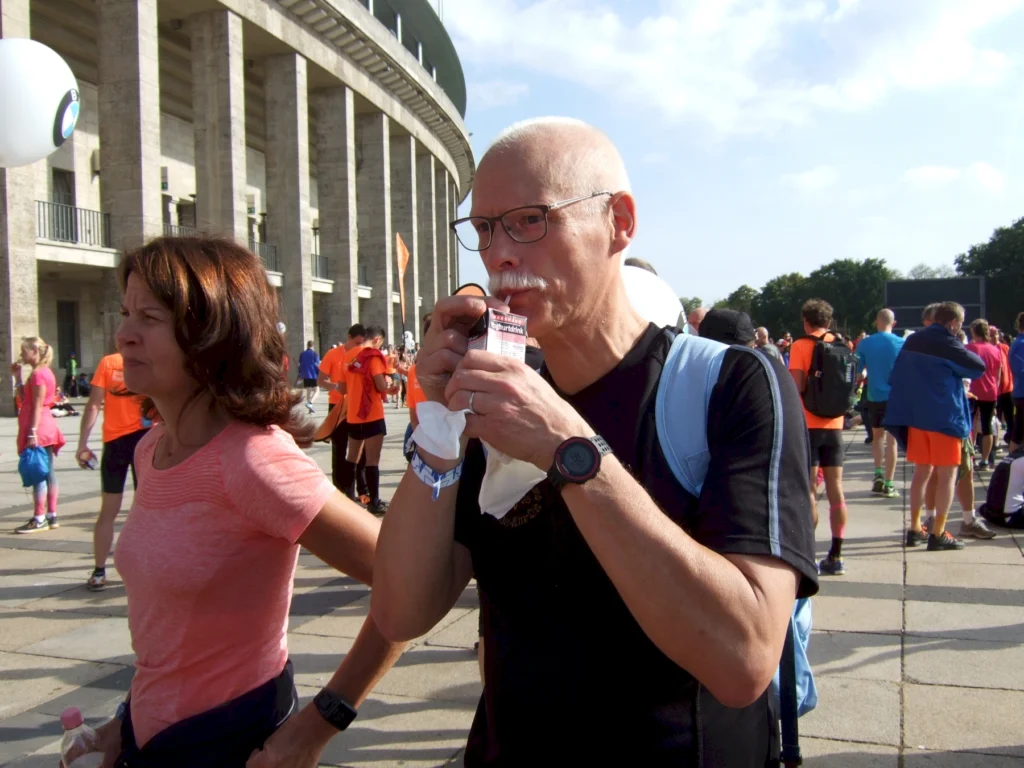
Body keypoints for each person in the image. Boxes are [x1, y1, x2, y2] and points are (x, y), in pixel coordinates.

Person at [372, 117, 817, 766]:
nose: (500, 254)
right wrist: (436, 422)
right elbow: (401, 612)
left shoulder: (731, 385)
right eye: (485, 229)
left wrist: (569, 450)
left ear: (621, 222)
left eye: (529, 219)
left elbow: (744, 656)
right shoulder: (495, 392)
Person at [71, 236, 404, 768]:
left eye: (149, 318)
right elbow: (175, 637)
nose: (123, 333)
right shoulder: (153, 448)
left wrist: (319, 724)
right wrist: (124, 725)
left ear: (210, 336)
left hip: (228, 739)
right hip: (152, 735)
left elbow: (411, 582)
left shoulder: (253, 461)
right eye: (125, 311)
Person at [885, 301, 985, 552]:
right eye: (960, 323)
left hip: (918, 418)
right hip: (945, 418)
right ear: (953, 323)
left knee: (921, 474)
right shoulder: (948, 342)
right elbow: (976, 368)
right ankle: (938, 532)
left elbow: (897, 375)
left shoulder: (913, 340)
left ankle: (916, 527)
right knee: (947, 476)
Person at [75, 352, 152, 591]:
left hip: (115, 442)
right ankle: (145, 569)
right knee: (146, 509)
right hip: (145, 440)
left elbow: (93, 405)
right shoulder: (149, 359)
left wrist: (82, 444)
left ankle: (99, 572)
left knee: (108, 511)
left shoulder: (108, 363)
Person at [789, 299, 849, 575]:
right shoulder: (843, 344)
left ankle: (807, 553)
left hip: (809, 423)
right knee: (836, 490)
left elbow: (797, 384)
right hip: (835, 424)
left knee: (809, 490)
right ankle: (836, 554)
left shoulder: (801, 345)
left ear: (806, 320)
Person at [11, 337, 66, 533]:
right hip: (44, 426)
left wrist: (32, 432)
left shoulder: (38, 374)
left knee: (37, 472)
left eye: (24, 351)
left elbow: (36, 405)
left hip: (39, 427)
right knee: (48, 471)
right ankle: (51, 516)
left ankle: (39, 517)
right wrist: (17, 378)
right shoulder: (42, 372)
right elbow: (26, 399)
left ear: (34, 351)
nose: (21, 354)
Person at [338, 325, 392, 514]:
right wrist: (388, 384)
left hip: (353, 415)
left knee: (351, 457)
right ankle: (374, 501)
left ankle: (348, 497)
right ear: (377, 339)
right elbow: (379, 384)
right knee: (372, 461)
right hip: (372, 414)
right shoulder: (373, 355)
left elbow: (342, 389)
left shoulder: (347, 355)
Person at [317, 326, 370, 502]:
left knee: (360, 451)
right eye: (356, 343)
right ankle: (338, 490)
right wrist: (334, 386)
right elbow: (320, 380)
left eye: (361, 343)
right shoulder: (333, 354)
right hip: (338, 406)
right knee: (339, 448)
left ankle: (361, 490)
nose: (358, 347)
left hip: (357, 406)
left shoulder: (364, 355)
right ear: (349, 337)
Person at [855, 309, 905, 500]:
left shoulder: (865, 343)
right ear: (894, 323)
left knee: (877, 437)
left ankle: (878, 474)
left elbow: (858, 374)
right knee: (892, 441)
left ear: (876, 322)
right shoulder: (902, 343)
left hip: (874, 396)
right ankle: (889, 484)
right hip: (895, 396)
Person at [966, 319, 1003, 471]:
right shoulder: (995, 350)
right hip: (990, 391)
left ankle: (970, 457)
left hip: (973, 391)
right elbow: (998, 375)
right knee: (987, 426)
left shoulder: (969, 348)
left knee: (970, 425)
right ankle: (985, 461)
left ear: (974, 331)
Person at [1010, 312, 1024, 452]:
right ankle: (1012, 464)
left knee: (1018, 430)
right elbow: (1020, 370)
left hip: (1020, 392)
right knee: (1018, 432)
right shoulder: (1021, 344)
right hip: (1022, 393)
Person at [297, 340, 321, 414]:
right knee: (317, 390)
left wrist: (300, 374)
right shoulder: (314, 354)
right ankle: (310, 403)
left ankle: (310, 409)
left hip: (305, 375)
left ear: (307, 345)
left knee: (308, 391)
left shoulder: (302, 354)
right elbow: (317, 365)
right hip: (313, 375)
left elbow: (300, 365)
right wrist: (320, 373)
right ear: (313, 346)